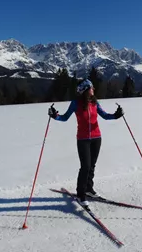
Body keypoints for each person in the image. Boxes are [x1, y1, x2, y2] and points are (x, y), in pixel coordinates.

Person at [48, 79, 124, 207]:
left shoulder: (95, 102)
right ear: (84, 90)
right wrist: (55, 116)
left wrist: (116, 115)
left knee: (92, 165)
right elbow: (65, 117)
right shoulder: (75, 103)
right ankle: (81, 193)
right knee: (85, 166)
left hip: (96, 138)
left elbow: (104, 115)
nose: (93, 89)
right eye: (91, 87)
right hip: (83, 139)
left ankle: (89, 189)